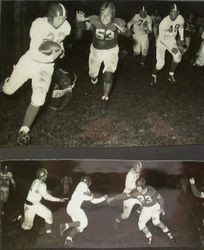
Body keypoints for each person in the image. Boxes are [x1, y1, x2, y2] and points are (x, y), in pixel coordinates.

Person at [0, 3, 71, 145]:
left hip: (45, 67)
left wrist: (61, 49)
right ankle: (5, 83)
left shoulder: (66, 26)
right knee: (8, 91)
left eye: (64, 18)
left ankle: (24, 131)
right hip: (29, 62)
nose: (61, 21)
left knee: (39, 98)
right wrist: (57, 52)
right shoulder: (39, 24)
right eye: (58, 18)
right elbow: (43, 49)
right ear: (50, 17)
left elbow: (60, 42)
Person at [75, 2, 131, 106]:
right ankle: (94, 78)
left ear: (113, 15)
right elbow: (81, 31)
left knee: (109, 74)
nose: (105, 16)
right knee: (92, 75)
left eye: (108, 14)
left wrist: (124, 31)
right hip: (96, 51)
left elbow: (128, 34)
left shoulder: (117, 22)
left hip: (111, 51)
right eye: (103, 13)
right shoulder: (95, 20)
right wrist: (79, 21)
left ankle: (105, 98)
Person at [107, 177, 174, 245]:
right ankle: (150, 237)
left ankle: (169, 233)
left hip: (154, 207)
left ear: (143, 186)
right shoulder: (135, 192)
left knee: (156, 222)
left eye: (139, 187)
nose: (137, 188)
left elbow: (161, 198)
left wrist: (161, 208)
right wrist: (113, 198)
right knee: (141, 224)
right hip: (146, 208)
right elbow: (125, 195)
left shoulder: (151, 190)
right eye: (137, 186)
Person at [16, 168, 67, 236]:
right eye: (45, 175)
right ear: (42, 175)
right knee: (27, 227)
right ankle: (18, 216)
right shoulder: (42, 184)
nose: (46, 176)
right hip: (30, 206)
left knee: (48, 214)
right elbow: (46, 197)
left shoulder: (35, 181)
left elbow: (38, 190)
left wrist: (46, 191)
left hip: (33, 204)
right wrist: (59, 200)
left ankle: (48, 233)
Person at [59, 176, 108, 246]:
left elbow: (93, 201)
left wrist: (103, 198)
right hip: (74, 207)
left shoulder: (83, 187)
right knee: (84, 223)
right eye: (89, 183)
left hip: (71, 207)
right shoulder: (82, 185)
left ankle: (68, 240)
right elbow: (87, 196)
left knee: (80, 227)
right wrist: (91, 196)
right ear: (87, 182)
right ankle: (65, 226)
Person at [151, 3, 184, 85]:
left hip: (172, 40)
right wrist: (172, 48)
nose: (174, 14)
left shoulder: (180, 19)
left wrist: (182, 38)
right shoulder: (164, 22)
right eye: (172, 12)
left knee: (178, 56)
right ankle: (154, 75)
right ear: (169, 12)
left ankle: (171, 74)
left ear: (178, 13)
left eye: (176, 12)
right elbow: (161, 39)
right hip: (162, 42)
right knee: (160, 64)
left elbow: (181, 27)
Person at [113, 161, 142, 229]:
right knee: (125, 216)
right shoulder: (129, 175)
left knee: (144, 202)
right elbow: (128, 187)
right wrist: (137, 185)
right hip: (128, 196)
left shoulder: (137, 172)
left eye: (140, 168)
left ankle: (137, 212)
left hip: (135, 194)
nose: (139, 169)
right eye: (138, 167)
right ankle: (116, 221)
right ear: (134, 167)